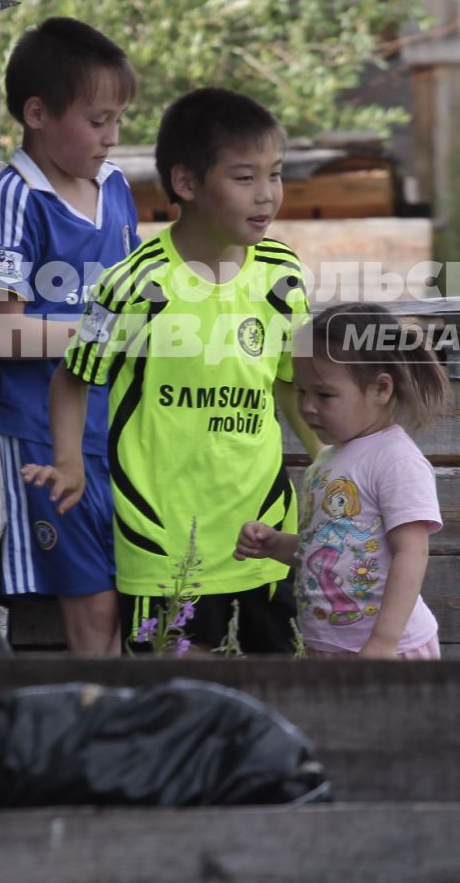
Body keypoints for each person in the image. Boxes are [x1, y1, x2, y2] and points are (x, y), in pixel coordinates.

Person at [23, 87, 317, 653]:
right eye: (244, 178)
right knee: (176, 704)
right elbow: (72, 376)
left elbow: (290, 382)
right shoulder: (134, 286)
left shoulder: (283, 274)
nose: (267, 196)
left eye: (274, 175)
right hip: (162, 546)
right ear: (186, 184)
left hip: (264, 536)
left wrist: (334, 458)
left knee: (280, 693)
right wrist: (68, 463)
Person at [0, 17, 139, 656]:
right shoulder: (16, 200)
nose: (113, 136)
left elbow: (138, 298)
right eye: (98, 121)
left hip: (118, 431)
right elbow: (6, 331)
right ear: (38, 113)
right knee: (93, 615)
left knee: (137, 603)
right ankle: (96, 745)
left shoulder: (118, 189)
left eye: (119, 120)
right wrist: (111, 333)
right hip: (44, 434)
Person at [235, 302, 451, 659]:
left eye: (324, 394)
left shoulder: (395, 459)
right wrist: (276, 545)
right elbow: (328, 548)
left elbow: (412, 552)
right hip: (330, 648)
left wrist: (383, 642)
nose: (306, 407)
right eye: (302, 391)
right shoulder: (328, 460)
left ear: (381, 389)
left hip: (388, 652)